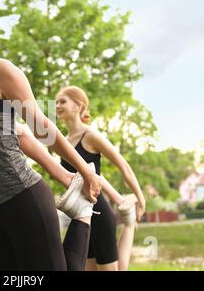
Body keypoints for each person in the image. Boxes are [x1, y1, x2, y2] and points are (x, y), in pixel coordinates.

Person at [0, 0, 103, 271]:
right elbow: (18, 135)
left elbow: (40, 126)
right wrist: (62, 175)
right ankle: (81, 212)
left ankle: (83, 216)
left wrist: (85, 172)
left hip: (20, 196)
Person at [55, 86, 146, 271]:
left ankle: (129, 223)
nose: (57, 105)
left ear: (78, 106)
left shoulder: (90, 136)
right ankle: (127, 216)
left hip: (99, 213)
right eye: (56, 102)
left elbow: (123, 166)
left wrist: (141, 197)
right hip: (80, 216)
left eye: (62, 101)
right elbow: (94, 176)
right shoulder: (62, 142)